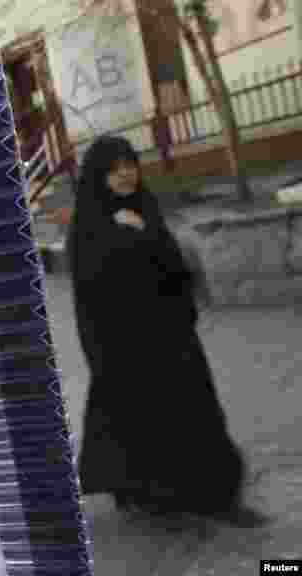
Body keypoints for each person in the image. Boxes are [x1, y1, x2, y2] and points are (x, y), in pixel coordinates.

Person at [68, 135, 268, 527]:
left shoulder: (145, 208)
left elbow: (173, 268)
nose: (125, 173)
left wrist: (143, 231)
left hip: (171, 337)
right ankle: (147, 493)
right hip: (124, 347)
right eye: (114, 167)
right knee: (141, 422)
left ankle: (218, 496)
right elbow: (94, 293)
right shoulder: (90, 226)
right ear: (99, 175)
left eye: (129, 163)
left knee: (197, 414)